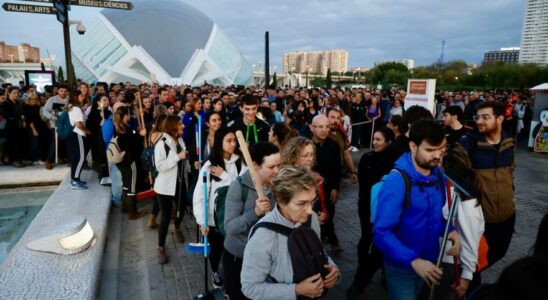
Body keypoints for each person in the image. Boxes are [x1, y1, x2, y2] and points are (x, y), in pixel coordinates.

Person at [373, 119, 460, 300]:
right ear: (413, 146)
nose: (437, 156)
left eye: (441, 149)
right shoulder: (397, 181)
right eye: (430, 150)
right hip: (401, 267)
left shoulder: (437, 173)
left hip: (429, 262)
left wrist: (450, 231)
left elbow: (434, 216)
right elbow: (381, 232)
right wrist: (413, 260)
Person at [241, 165, 341, 300]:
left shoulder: (312, 219)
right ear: (281, 201)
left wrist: (333, 269)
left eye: (312, 201)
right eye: (302, 203)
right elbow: (250, 287)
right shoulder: (263, 235)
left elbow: (317, 250)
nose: (309, 210)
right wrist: (297, 290)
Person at [459, 100, 516, 290]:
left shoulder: (509, 142)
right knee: (474, 261)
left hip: (507, 215)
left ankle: (470, 279)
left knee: (498, 253)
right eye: (477, 117)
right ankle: (469, 286)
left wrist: (510, 195)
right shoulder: (468, 144)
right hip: (481, 220)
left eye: (485, 117)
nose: (479, 121)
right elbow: (451, 174)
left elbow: (511, 172)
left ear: (500, 119)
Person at [223, 142, 281, 300]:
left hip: (268, 256)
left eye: (279, 165)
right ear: (254, 165)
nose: (277, 171)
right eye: (271, 167)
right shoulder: (238, 186)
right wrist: (255, 213)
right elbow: (230, 227)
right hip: (239, 257)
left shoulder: (278, 184)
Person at [193, 128, 247, 289]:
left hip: (236, 216)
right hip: (214, 218)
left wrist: (225, 176)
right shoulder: (209, 166)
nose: (232, 144)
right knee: (216, 250)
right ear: (219, 143)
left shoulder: (241, 162)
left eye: (234, 140)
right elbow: (200, 195)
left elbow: (244, 186)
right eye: (228, 141)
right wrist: (202, 221)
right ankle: (216, 271)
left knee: (234, 249)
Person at [433, 143, 485, 299]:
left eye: (440, 163)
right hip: (439, 257)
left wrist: (465, 278)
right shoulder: (446, 189)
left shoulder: (465, 200)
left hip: (450, 263)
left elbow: (471, 240)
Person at [347, 127, 395, 298]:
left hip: (384, 209)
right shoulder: (367, 157)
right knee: (366, 236)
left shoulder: (393, 161)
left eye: (379, 139)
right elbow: (364, 183)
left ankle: (379, 271)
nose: (374, 142)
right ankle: (362, 266)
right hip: (366, 204)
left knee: (379, 242)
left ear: (388, 142)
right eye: (374, 139)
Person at [153, 115, 189, 264]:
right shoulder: (162, 143)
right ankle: (160, 247)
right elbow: (159, 166)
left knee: (181, 210)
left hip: (180, 183)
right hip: (165, 187)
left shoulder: (180, 139)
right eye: (180, 124)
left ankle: (176, 227)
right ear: (173, 126)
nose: (183, 126)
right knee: (165, 217)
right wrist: (177, 158)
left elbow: (184, 159)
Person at [310, 114, 343, 254]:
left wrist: (336, 187)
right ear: (312, 128)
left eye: (327, 127)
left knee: (329, 213)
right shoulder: (305, 145)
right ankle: (325, 240)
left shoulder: (333, 145)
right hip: (310, 189)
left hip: (329, 188)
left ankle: (329, 238)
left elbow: (337, 168)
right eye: (320, 127)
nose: (324, 130)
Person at [281, 136, 329, 225]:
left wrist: (324, 215)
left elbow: (321, 202)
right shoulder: (284, 180)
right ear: (293, 157)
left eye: (311, 154)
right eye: (305, 156)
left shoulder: (317, 178)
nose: (310, 159)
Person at [113, 106, 146, 219]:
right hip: (129, 161)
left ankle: (125, 207)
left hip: (122, 162)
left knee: (126, 184)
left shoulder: (119, 128)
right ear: (125, 116)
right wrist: (140, 136)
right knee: (132, 186)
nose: (130, 116)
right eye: (128, 114)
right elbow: (132, 144)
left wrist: (136, 133)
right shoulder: (123, 130)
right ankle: (133, 212)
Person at [67, 91, 91, 189]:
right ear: (75, 97)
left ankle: (76, 178)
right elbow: (78, 124)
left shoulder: (73, 107)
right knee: (80, 158)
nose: (83, 97)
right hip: (78, 134)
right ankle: (75, 181)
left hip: (76, 135)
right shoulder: (76, 108)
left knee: (76, 158)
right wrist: (87, 131)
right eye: (81, 96)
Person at [1, 87, 25, 167]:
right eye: (14, 93)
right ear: (9, 93)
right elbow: (5, 116)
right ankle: (13, 160)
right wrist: (18, 118)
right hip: (10, 126)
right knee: (12, 143)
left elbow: (21, 113)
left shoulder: (18, 102)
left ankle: (19, 159)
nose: (16, 94)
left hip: (18, 125)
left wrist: (22, 118)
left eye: (17, 93)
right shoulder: (6, 103)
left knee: (19, 143)